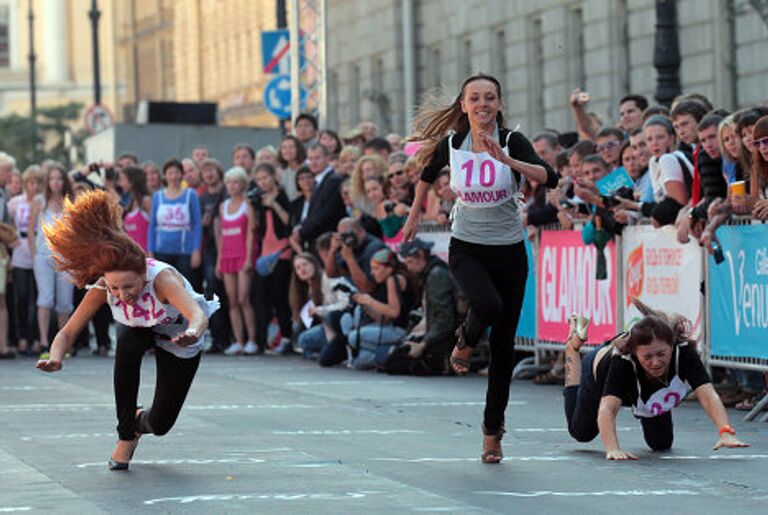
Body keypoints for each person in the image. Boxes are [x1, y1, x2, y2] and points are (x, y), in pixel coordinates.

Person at [402, 74, 558, 463]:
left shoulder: (512, 141)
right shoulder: (452, 144)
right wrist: (412, 215)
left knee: (503, 350)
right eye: (475, 98)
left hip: (509, 251)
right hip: (468, 247)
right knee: (487, 307)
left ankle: (492, 433)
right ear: (464, 105)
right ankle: (466, 338)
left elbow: (548, 177)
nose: (483, 104)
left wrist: (507, 161)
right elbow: (425, 175)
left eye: (490, 98)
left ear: (499, 104)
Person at [36, 190, 219, 471]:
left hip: (178, 337)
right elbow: (67, 332)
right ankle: (125, 434)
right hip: (139, 330)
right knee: (127, 340)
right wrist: (56, 357)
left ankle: (137, 423)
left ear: (143, 277)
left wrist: (193, 332)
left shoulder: (162, 281)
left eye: (129, 287)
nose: (122, 295)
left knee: (160, 425)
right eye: (115, 288)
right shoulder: (103, 287)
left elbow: (196, 315)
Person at [563, 299, 749, 460]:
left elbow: (708, 395)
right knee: (581, 433)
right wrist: (613, 449)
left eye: (662, 354)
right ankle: (572, 347)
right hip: (599, 377)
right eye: (648, 357)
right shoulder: (622, 362)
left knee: (661, 443)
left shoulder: (684, 353)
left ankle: (644, 403)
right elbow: (607, 408)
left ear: (671, 346)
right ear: (636, 354)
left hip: (650, 391)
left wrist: (725, 432)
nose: (656, 363)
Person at [388, 238, 458, 375]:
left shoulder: (436, 275)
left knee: (395, 363)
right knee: (393, 361)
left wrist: (423, 344)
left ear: (420, 255)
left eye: (410, 262)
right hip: (432, 333)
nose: (408, 267)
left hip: (439, 339)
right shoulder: (430, 273)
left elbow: (445, 319)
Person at [28, 163, 75, 355]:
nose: (55, 182)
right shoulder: (40, 201)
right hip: (43, 256)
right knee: (45, 299)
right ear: (48, 182)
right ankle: (44, 341)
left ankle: (62, 342)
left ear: (64, 181)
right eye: (52, 179)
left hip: (66, 258)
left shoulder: (71, 202)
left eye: (59, 178)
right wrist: (34, 255)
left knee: (64, 302)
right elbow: (31, 230)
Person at [340, 248, 411, 370]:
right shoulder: (385, 281)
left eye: (376, 269)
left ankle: (393, 350)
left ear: (389, 268)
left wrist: (370, 301)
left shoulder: (393, 279)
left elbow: (394, 312)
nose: (372, 273)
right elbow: (382, 318)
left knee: (353, 338)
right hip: (389, 327)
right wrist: (364, 304)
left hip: (400, 331)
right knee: (357, 360)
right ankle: (380, 355)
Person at [251, 163, 293, 354]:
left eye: (266, 178)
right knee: (261, 298)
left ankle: (286, 337)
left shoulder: (283, 196)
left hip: (282, 252)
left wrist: (273, 204)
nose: (263, 182)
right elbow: (254, 227)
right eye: (259, 179)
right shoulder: (257, 198)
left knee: (280, 296)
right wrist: (253, 206)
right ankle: (264, 339)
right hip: (264, 253)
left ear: (273, 177)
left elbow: (288, 221)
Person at [217, 167, 258, 356]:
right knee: (232, 300)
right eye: (229, 182)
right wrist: (219, 260)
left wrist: (249, 258)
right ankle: (238, 341)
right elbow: (222, 237)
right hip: (227, 256)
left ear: (243, 184)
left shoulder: (248, 205)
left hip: (243, 255)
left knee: (244, 298)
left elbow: (251, 233)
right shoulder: (223, 206)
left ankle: (252, 340)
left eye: (235, 182)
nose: (231, 186)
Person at [147, 159, 202, 282]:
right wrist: (150, 250)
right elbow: (152, 226)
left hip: (184, 251)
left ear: (182, 175)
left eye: (176, 172)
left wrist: (196, 250)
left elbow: (197, 224)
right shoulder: (157, 196)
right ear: (165, 176)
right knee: (163, 287)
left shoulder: (190, 195)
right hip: (161, 250)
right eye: (170, 173)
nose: (173, 176)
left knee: (185, 286)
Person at [8, 166, 42, 355]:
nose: (33, 187)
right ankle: (21, 337)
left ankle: (36, 337)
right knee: (21, 296)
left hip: (38, 248)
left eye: (37, 183)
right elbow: (9, 226)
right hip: (20, 250)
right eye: (30, 183)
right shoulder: (15, 203)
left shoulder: (42, 203)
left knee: (38, 297)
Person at [292, 143, 346, 253]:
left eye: (317, 158)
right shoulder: (320, 181)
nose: (313, 162)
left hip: (327, 243)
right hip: (317, 242)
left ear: (327, 158)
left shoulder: (333, 181)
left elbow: (325, 214)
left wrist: (302, 231)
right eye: (310, 159)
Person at [121, 167, 152, 252]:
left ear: (132, 181)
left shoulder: (146, 201)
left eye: (123, 179)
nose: (121, 184)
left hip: (146, 255)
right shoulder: (131, 202)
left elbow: (154, 228)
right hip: (133, 255)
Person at [277, 135, 307, 202]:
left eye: (291, 147)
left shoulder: (307, 168)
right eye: (284, 148)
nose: (287, 150)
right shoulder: (280, 171)